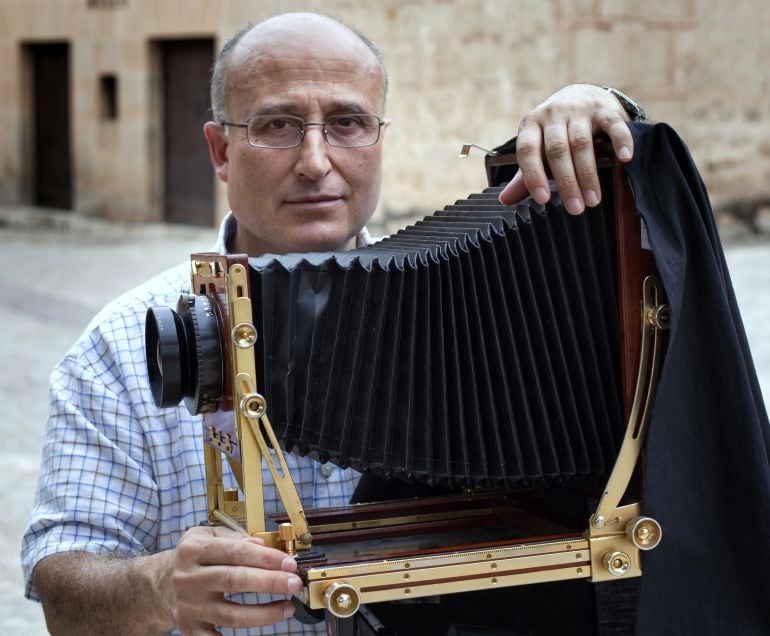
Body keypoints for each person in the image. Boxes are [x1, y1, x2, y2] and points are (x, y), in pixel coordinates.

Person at [21, 12, 645, 636]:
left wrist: (603, 111)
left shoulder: (469, 309)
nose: (315, 161)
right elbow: (64, 586)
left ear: (380, 138)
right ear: (220, 151)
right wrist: (157, 585)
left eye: (347, 123)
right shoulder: (121, 346)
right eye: (277, 126)